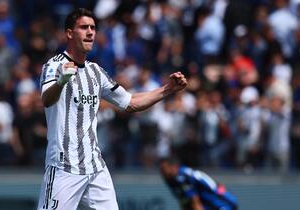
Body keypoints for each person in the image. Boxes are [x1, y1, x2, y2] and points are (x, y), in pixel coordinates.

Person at [37, 8, 187, 210]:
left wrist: (168, 89)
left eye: (93, 28)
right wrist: (62, 81)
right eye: (83, 27)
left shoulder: (96, 72)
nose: (90, 32)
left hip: (95, 168)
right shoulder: (54, 66)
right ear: (69, 33)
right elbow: (46, 99)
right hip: (64, 167)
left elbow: (131, 102)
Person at [160, 157, 238, 210]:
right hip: (225, 202)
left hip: (221, 204)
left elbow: (195, 202)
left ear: (174, 167)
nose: (162, 173)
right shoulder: (177, 177)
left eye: (164, 169)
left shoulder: (182, 177)